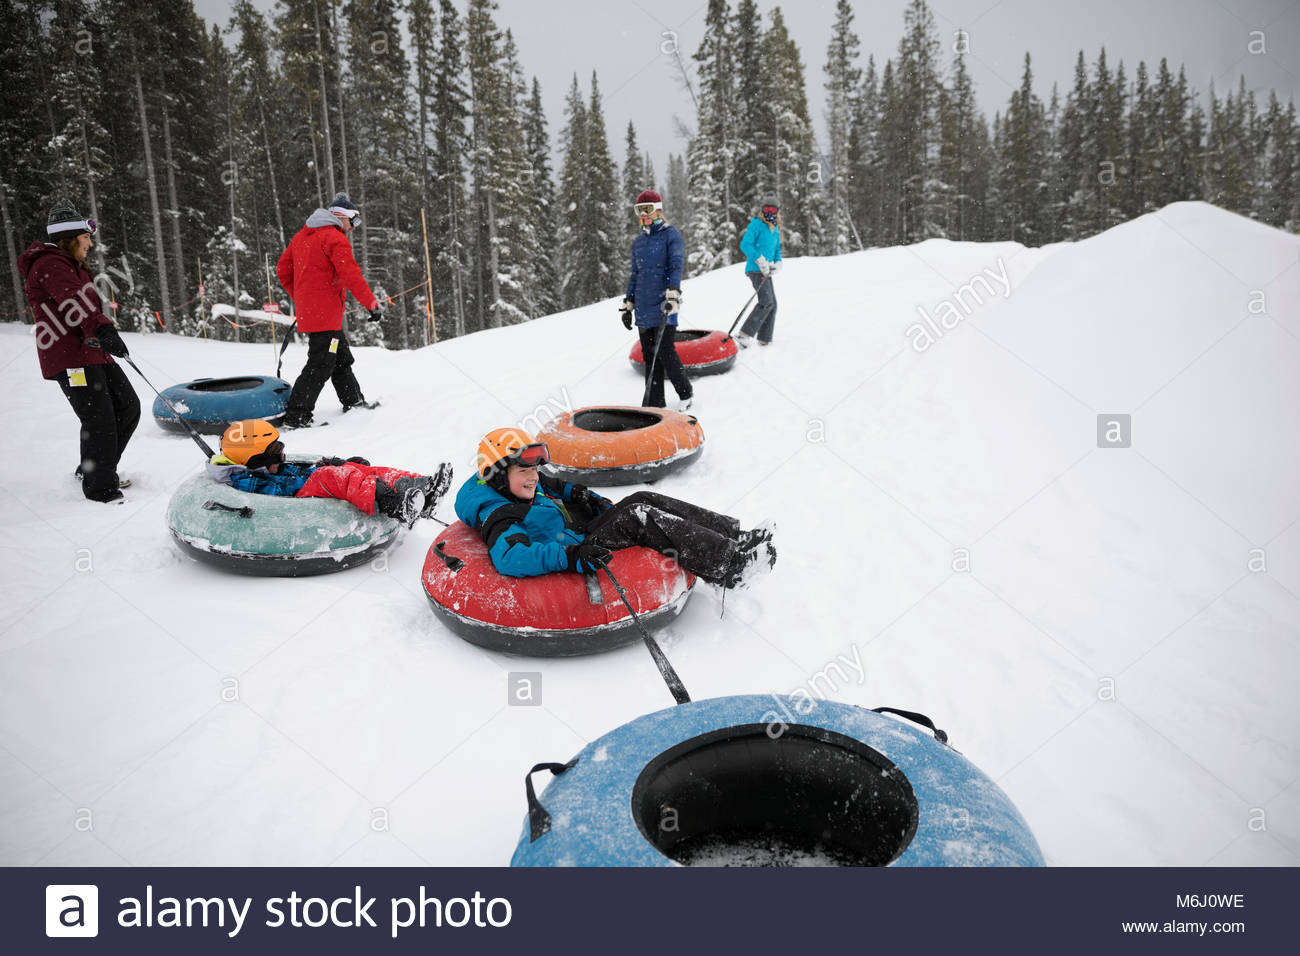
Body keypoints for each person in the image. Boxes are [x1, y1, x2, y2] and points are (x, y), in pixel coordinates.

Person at [454, 427, 776, 587]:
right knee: (639, 517)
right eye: (525, 471)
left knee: (642, 497)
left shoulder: (517, 482)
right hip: (578, 546)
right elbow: (511, 557)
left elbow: (548, 483)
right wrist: (570, 557)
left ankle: (734, 535)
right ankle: (730, 567)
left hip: (577, 529)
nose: (533, 477)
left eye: (535, 469)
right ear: (497, 475)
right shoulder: (499, 515)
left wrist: (578, 492)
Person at [18, 200, 140, 504]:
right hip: (70, 356)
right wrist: (103, 329)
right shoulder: (49, 264)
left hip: (91, 351)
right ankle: (100, 488)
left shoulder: (71, 265)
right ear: (70, 238)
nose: (90, 243)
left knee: (127, 406)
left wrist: (101, 333)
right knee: (99, 419)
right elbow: (75, 302)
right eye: (86, 237)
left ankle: (95, 470)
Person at [208, 419, 453, 528]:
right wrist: (321, 471)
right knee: (333, 476)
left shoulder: (262, 467)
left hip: (303, 484)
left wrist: (328, 463)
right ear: (255, 462)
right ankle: (395, 505)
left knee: (359, 469)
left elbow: (289, 469)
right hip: (296, 498)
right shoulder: (246, 481)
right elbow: (284, 488)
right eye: (275, 453)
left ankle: (423, 488)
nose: (282, 456)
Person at [277, 193, 383, 428]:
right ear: (340, 216)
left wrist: (303, 298)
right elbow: (351, 274)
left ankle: (353, 401)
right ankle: (297, 416)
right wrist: (371, 303)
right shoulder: (334, 238)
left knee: (340, 358)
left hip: (320, 314)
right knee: (321, 362)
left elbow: (283, 271)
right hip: (324, 315)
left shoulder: (301, 237)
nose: (353, 227)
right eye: (353, 221)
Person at [621, 189, 693, 411]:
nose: (644, 215)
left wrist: (673, 294)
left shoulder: (671, 235)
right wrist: (629, 303)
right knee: (649, 355)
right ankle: (655, 403)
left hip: (664, 304)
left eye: (648, 210)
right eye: (640, 210)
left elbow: (675, 266)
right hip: (643, 306)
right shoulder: (639, 242)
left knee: (665, 351)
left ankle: (686, 393)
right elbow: (635, 274)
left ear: (658, 210)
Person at [736, 197, 783, 347]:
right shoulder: (756, 224)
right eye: (766, 209)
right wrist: (759, 260)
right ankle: (744, 335)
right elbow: (745, 245)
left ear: (777, 211)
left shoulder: (775, 229)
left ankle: (764, 338)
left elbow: (777, 250)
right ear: (762, 210)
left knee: (772, 304)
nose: (769, 212)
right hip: (756, 269)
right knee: (766, 301)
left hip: (766, 271)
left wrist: (778, 263)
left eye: (772, 210)